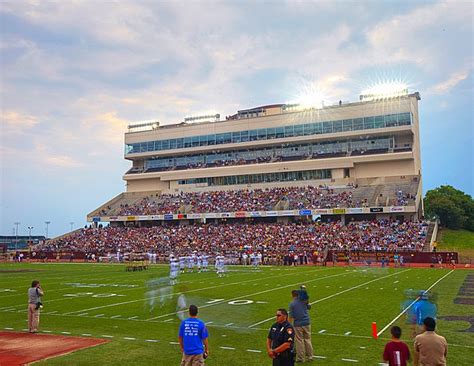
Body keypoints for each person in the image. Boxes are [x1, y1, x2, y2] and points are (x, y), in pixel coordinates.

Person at [289, 290, 313, 363]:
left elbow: (291, 316)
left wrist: (289, 325)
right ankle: (310, 356)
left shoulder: (292, 304)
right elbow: (309, 307)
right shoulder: (304, 301)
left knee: (299, 341)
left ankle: (300, 358)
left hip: (298, 324)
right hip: (307, 323)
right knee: (308, 339)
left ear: (292, 295)